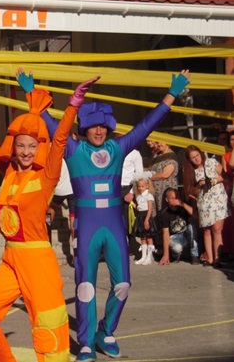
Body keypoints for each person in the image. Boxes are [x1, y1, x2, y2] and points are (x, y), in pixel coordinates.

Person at [26, 69, 191, 362]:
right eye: (93, 126)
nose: (99, 131)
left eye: (103, 126)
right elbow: (50, 124)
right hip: (87, 226)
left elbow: (147, 125)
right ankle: (86, 341)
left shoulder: (118, 147)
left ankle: (106, 331)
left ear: (109, 127)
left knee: (123, 284)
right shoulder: (73, 149)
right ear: (84, 128)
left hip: (114, 225)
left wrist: (172, 94)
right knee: (85, 286)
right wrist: (31, 92)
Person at [0, 69, 98, 362]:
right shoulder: (9, 172)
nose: (25, 152)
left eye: (32, 146)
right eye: (20, 145)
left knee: (49, 333)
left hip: (38, 263)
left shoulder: (46, 175)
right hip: (11, 259)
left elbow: (60, 140)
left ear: (39, 148)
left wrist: (74, 103)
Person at [182, 145, 230, 268]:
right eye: (193, 158)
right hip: (204, 202)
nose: (196, 159)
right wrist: (199, 185)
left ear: (201, 153)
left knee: (217, 229)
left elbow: (224, 176)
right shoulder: (190, 172)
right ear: (189, 160)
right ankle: (210, 258)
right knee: (207, 230)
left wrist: (214, 180)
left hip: (218, 199)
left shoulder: (211, 162)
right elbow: (190, 191)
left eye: (197, 155)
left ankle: (217, 259)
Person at [158, 187, 200, 265]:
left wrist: (182, 204)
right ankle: (176, 256)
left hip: (186, 233)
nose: (175, 200)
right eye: (172, 198)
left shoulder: (183, 207)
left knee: (192, 227)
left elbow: (195, 216)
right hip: (175, 236)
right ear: (167, 199)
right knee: (176, 248)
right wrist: (166, 255)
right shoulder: (165, 213)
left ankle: (194, 256)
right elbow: (165, 233)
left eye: (176, 198)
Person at [121, 147, 144, 258]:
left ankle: (128, 248)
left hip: (127, 188)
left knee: (127, 221)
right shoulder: (113, 149)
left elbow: (139, 174)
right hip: (113, 188)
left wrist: (132, 192)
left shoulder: (135, 153)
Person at [130, 176, 158, 265]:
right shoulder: (138, 196)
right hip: (140, 217)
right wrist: (132, 204)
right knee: (143, 237)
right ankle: (143, 256)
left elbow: (150, 209)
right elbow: (139, 207)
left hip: (146, 216)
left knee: (149, 237)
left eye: (142, 186)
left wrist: (147, 220)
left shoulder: (149, 196)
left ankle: (149, 257)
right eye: (139, 186)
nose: (140, 188)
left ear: (147, 186)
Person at [148, 141, 179, 213]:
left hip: (164, 191)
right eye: (157, 143)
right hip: (155, 191)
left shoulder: (171, 157)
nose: (159, 144)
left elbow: (165, 174)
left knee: (164, 212)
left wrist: (148, 177)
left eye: (161, 142)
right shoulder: (158, 156)